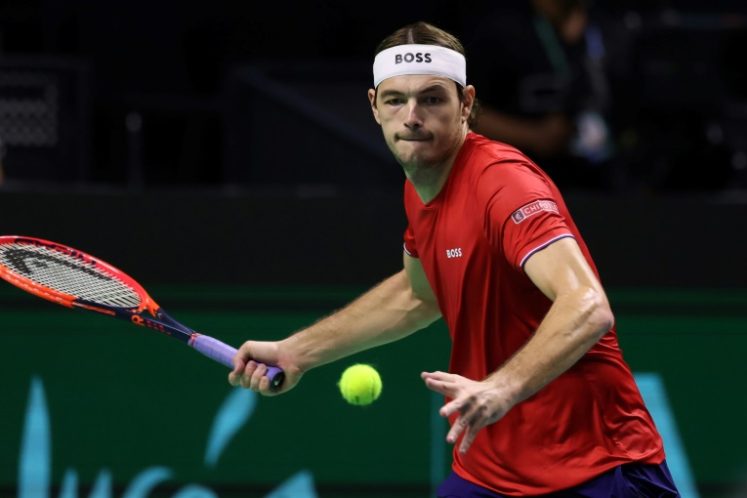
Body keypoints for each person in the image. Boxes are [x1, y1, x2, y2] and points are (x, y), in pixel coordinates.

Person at [229, 21, 679, 497]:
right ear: (374, 107)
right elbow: (416, 295)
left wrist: (500, 388)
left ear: (466, 104)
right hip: (492, 468)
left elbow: (587, 304)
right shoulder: (421, 186)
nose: (412, 116)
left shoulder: (504, 183)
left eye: (432, 99)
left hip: (595, 468)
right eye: (395, 100)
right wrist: (297, 351)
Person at [467, 0, 630, 192]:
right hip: (522, 182)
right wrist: (534, 136)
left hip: (607, 180)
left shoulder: (609, 24)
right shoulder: (503, 29)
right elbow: (467, 112)